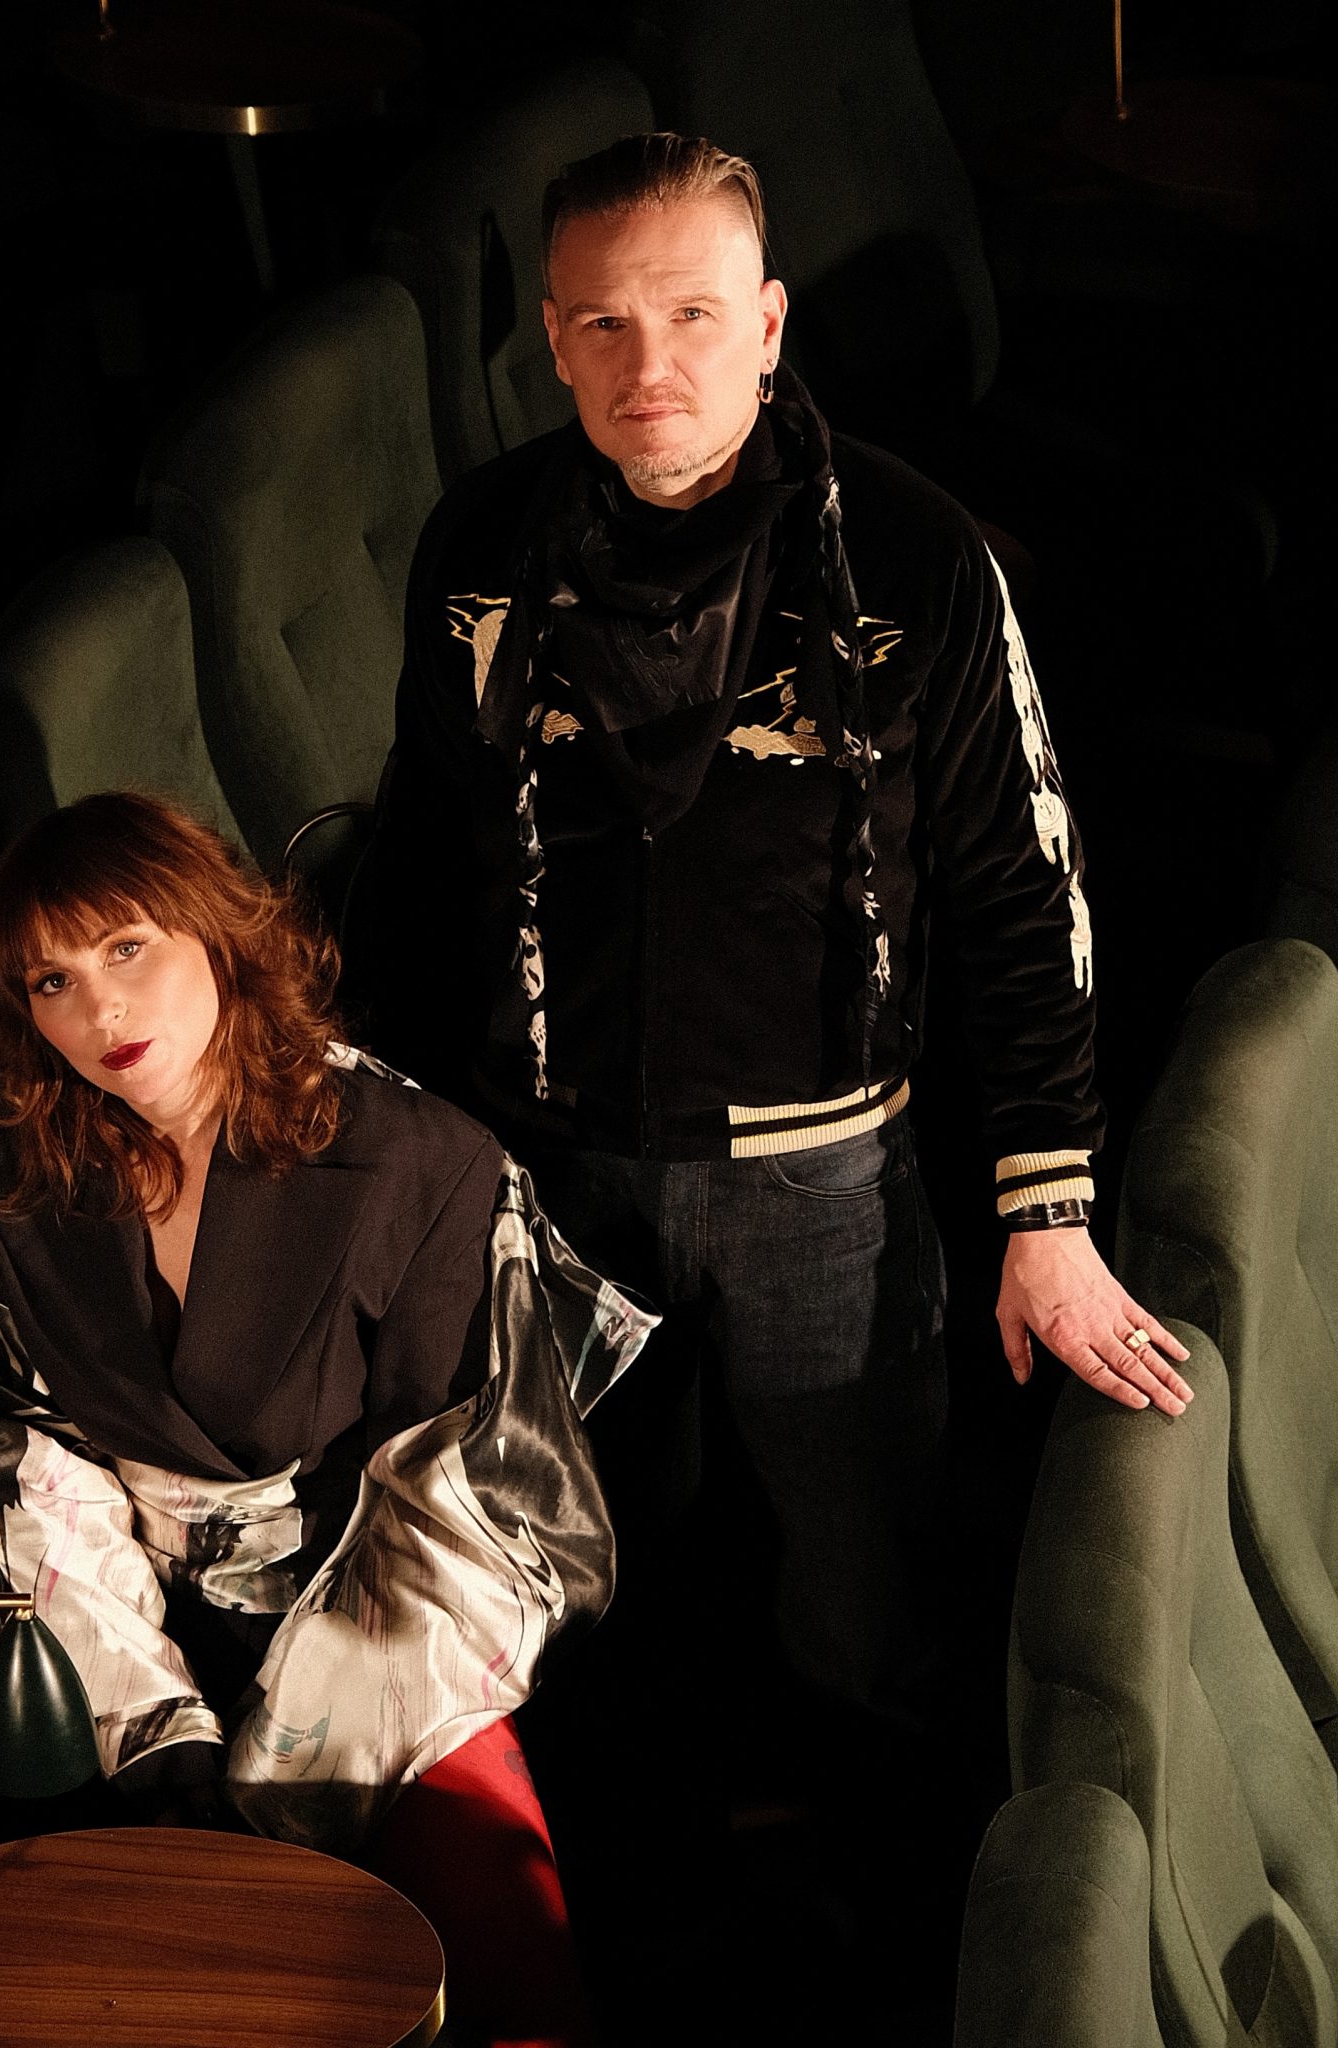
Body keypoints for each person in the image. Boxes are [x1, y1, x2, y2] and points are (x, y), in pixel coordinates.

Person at [341, 133, 1195, 2024]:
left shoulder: (913, 557)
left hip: (823, 1174)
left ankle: (895, 1970)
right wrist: (375, 1166)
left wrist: (1047, 1213)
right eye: (607, 324)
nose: (655, 363)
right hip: (549, 1173)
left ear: (771, 322)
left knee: (859, 1604)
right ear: (554, 346)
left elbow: (1019, 889)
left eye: (697, 316)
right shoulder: (481, 548)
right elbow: (421, 858)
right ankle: (636, 1963)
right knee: (588, 1595)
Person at [0, 790, 649, 2048]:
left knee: (519, 1956)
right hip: (79, 1590)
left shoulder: (418, 1159)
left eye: (128, 948)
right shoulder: (1, 1159)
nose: (101, 1013)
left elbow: (453, 1515)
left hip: (345, 1621)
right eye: (53, 980)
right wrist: (137, 1709)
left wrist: (277, 1775)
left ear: (217, 934)